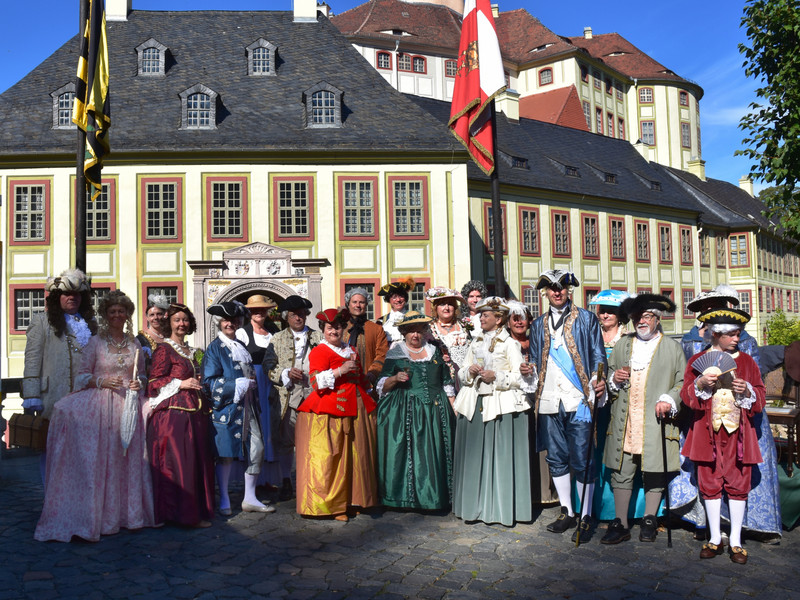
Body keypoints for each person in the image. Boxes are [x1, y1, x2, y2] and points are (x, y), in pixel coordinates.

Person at [35, 291, 155, 541]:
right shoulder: (95, 343)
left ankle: (127, 516)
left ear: (127, 315)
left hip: (127, 406)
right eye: (112, 311)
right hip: (100, 406)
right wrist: (101, 380)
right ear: (105, 315)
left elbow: (142, 375)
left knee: (127, 459)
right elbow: (81, 376)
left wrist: (138, 384)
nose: (117, 315)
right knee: (104, 460)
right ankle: (101, 517)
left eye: (121, 311)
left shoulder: (134, 344)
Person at [672, 286, 781, 543]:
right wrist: (698, 387)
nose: (711, 310)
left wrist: (747, 392)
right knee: (706, 474)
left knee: (739, 475)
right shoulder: (691, 344)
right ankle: (710, 528)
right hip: (703, 421)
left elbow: (757, 387)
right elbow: (686, 384)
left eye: (716, 305)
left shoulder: (746, 351)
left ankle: (738, 531)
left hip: (740, 422)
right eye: (706, 308)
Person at [681, 308, 766, 564]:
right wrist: (699, 385)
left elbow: (760, 399)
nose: (737, 339)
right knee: (709, 483)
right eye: (732, 335)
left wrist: (747, 389)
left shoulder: (748, 363)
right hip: (707, 433)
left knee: (739, 484)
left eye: (738, 334)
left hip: (738, 434)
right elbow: (687, 397)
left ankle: (737, 541)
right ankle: (715, 538)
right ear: (717, 334)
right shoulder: (697, 361)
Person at [601, 294, 685, 544]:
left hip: (656, 420)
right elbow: (609, 374)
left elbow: (682, 383)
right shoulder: (623, 345)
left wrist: (669, 399)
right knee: (622, 469)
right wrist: (614, 379)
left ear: (657, 319)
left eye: (647, 316)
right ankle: (621, 522)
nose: (641, 321)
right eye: (637, 317)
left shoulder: (672, 348)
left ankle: (649, 518)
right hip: (624, 421)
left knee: (655, 471)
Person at [529, 270, 606, 543]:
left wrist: (597, 380)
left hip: (578, 399)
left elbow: (597, 354)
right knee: (556, 457)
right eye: (551, 288)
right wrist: (529, 370)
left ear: (569, 289)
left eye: (561, 286)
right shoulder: (537, 325)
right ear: (545, 293)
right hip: (550, 400)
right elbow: (536, 361)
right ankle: (567, 511)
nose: (557, 291)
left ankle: (585, 516)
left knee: (583, 457)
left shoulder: (586, 319)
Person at [452, 297, 535, 526]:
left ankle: (499, 509)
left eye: (485, 315)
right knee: (475, 456)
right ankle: (474, 506)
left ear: (498, 319)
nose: (481, 318)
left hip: (500, 406)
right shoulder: (475, 341)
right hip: (475, 403)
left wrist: (496, 376)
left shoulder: (510, 344)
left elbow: (522, 378)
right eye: (481, 315)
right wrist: (469, 371)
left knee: (498, 457)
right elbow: (461, 374)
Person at [295, 307, 379, 521]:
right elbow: (314, 382)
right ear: (323, 329)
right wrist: (339, 371)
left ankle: (351, 500)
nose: (334, 331)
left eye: (338, 327)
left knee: (354, 456)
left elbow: (360, 379)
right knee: (331, 457)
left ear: (344, 328)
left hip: (355, 408)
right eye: (330, 327)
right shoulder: (319, 351)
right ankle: (331, 506)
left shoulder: (350, 349)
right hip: (329, 410)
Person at [21, 268, 97, 482]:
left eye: (77, 295)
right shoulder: (42, 322)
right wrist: (31, 395)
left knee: (81, 451)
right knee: (52, 450)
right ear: (57, 298)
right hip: (53, 397)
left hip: (85, 400)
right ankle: (51, 498)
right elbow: (32, 360)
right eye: (66, 294)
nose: (72, 298)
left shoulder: (90, 324)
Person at [376, 311, 456, 510]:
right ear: (403, 332)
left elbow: (446, 382)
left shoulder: (434, 352)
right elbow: (381, 385)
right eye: (411, 330)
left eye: (419, 330)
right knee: (408, 452)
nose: (415, 335)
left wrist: (454, 409)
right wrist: (395, 379)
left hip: (435, 410)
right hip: (405, 409)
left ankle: (436, 497)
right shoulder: (396, 352)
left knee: (434, 451)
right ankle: (405, 498)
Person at [147, 303, 215, 528]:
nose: (182, 324)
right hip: (173, 416)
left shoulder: (193, 351)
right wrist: (181, 383)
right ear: (169, 323)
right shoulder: (164, 349)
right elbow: (154, 383)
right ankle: (180, 514)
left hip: (195, 414)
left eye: (185, 320)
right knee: (178, 462)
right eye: (177, 320)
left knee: (195, 462)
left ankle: (195, 511)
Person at [203, 301, 274, 516]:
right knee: (225, 454)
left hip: (249, 406)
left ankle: (250, 497)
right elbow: (209, 382)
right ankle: (224, 497)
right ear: (219, 322)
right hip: (227, 408)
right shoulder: (214, 348)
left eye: (234, 320)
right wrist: (237, 385)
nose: (230, 324)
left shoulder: (241, 346)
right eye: (226, 320)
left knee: (257, 448)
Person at [586, 290, 644, 522]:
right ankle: (591, 505)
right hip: (593, 402)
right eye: (602, 310)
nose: (605, 315)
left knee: (620, 452)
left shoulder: (630, 339)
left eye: (611, 311)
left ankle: (618, 509)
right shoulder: (591, 336)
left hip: (620, 403)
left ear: (621, 315)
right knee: (592, 449)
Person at [266, 295, 322, 501]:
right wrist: (285, 373)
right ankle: (286, 480)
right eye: (293, 315)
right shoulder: (277, 338)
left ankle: (312, 480)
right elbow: (268, 367)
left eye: (301, 314)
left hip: (314, 395)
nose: (298, 318)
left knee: (313, 441)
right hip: (288, 395)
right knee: (286, 441)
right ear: (286, 317)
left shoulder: (319, 337)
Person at [506, 299, 557, 505]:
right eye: (515, 319)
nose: (519, 322)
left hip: (540, 396)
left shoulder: (536, 341)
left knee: (543, 444)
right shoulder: (506, 344)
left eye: (523, 318)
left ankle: (545, 492)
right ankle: (526, 492)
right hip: (515, 399)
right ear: (507, 322)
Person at [236, 294, 280, 490]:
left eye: (262, 309)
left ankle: (268, 478)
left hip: (271, 382)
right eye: (255, 310)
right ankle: (253, 477)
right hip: (254, 382)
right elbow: (240, 359)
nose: (259, 313)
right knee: (256, 426)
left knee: (271, 425)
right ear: (250, 313)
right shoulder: (243, 333)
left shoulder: (273, 331)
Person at [343, 287, 388, 387]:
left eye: (361, 302)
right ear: (348, 304)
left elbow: (382, 355)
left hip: (368, 382)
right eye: (354, 302)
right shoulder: (341, 328)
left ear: (366, 304)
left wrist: (373, 372)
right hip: (343, 382)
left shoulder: (376, 329)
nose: (358, 305)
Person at [426, 287, 471, 385]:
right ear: (436, 308)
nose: (446, 308)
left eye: (450, 304)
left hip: (468, 377)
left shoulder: (464, 326)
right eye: (442, 304)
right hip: (444, 379)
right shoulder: (429, 328)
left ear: (454, 307)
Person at [136, 293, 170, 374]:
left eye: (159, 314)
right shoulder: (140, 340)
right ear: (147, 317)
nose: (155, 318)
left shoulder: (170, 336)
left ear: (164, 315)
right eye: (152, 315)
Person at [375, 277, 415, 346]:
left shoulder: (414, 318)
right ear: (389, 300)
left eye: (401, 296)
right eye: (394, 297)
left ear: (405, 298)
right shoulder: (381, 321)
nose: (398, 300)